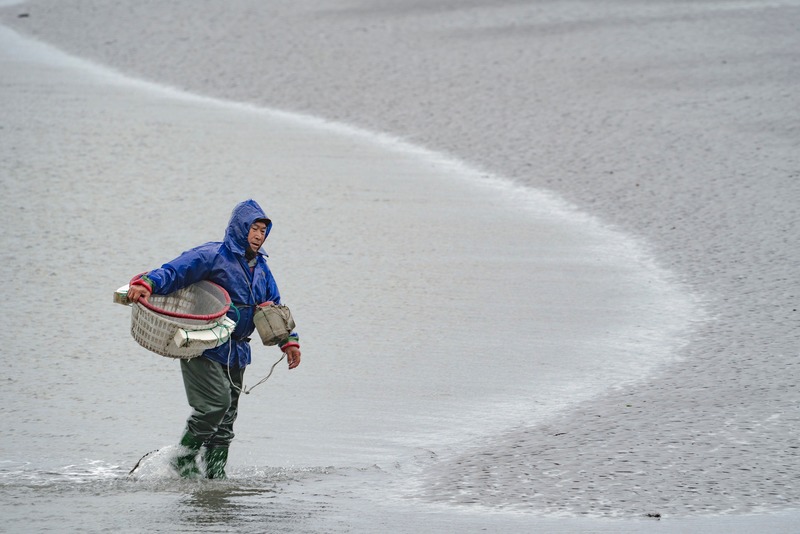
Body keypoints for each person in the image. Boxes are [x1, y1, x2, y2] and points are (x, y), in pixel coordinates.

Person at [126, 199, 301, 479]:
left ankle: (215, 477)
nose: (258, 235)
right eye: (253, 229)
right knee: (214, 405)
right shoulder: (212, 255)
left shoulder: (262, 268)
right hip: (204, 345)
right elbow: (175, 271)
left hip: (238, 351)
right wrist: (148, 283)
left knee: (227, 419)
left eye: (263, 231)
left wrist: (289, 341)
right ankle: (182, 460)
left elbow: (274, 306)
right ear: (240, 228)